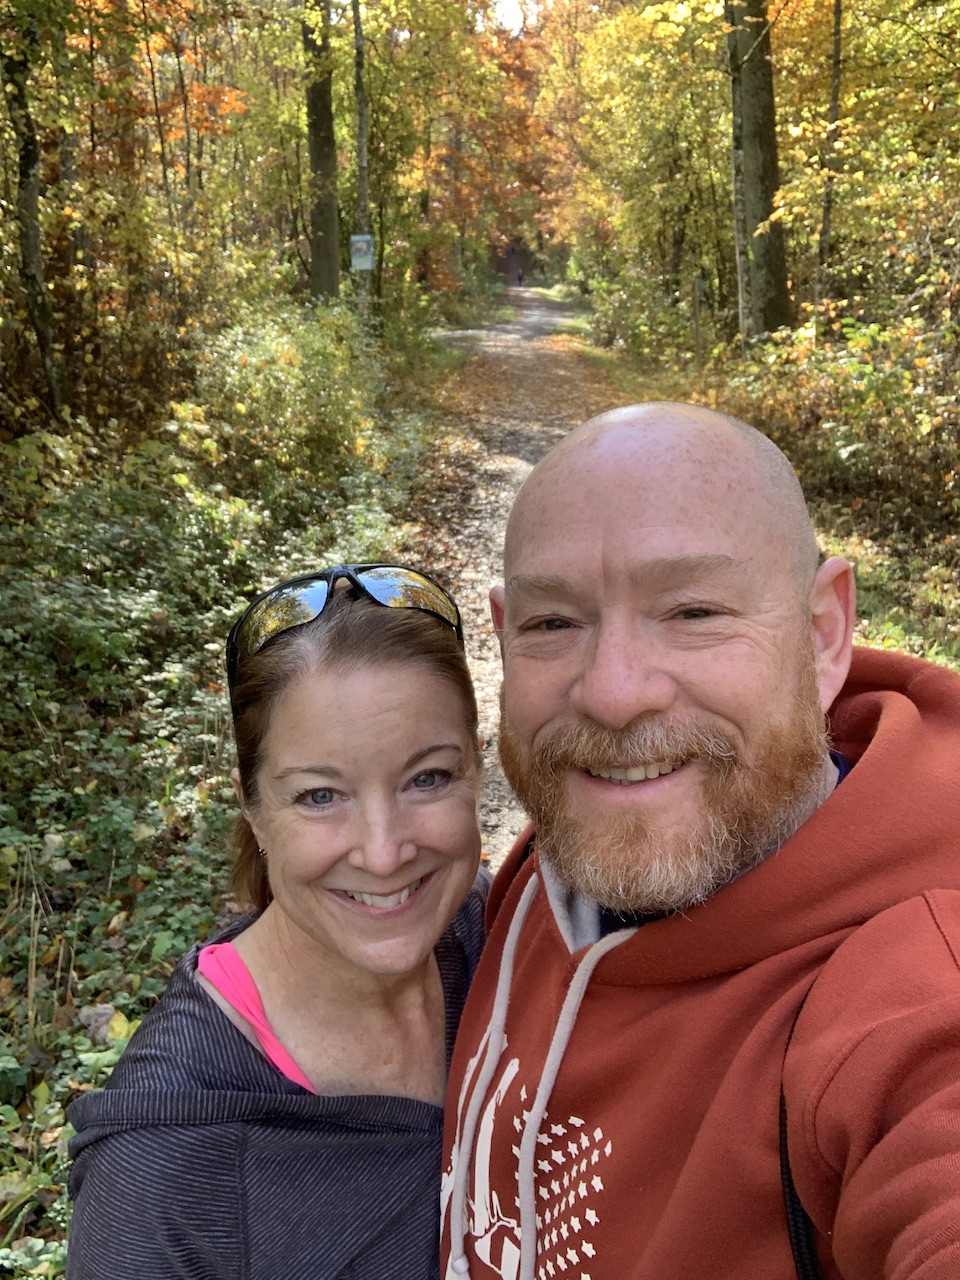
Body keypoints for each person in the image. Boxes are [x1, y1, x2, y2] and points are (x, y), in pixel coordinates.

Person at [441, 403, 960, 1280]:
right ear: (501, 637)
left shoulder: (906, 997)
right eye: (552, 624)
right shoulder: (549, 855)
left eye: (691, 610)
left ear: (824, 632)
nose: (612, 694)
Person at [67, 563, 490, 1280]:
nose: (385, 853)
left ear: (478, 768)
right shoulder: (162, 1178)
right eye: (321, 795)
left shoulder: (497, 936)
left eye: (428, 779)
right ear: (253, 807)